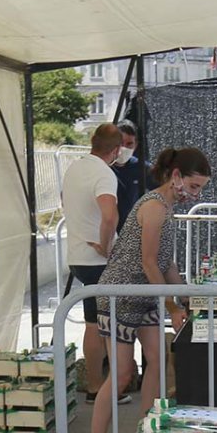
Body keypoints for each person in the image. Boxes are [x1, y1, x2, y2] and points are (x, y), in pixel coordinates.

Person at [84, 148, 208, 433]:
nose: (195, 195)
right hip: (120, 297)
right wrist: (172, 305)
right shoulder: (154, 207)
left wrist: (184, 300)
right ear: (176, 176)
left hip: (144, 294)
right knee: (122, 375)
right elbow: (149, 262)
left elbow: (166, 263)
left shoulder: (166, 207)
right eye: (193, 187)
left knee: (157, 360)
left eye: (200, 189)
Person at [60, 123, 127, 406]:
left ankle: (95, 385)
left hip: (77, 256)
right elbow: (110, 216)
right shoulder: (104, 173)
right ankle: (110, 387)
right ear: (115, 150)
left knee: (92, 323)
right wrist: (107, 245)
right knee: (109, 326)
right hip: (100, 260)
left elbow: (65, 203)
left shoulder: (74, 168)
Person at [110, 120, 151, 231]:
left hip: (131, 232)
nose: (123, 148)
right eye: (120, 143)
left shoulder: (141, 168)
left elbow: (164, 187)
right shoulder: (102, 166)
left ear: (136, 145)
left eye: (129, 144)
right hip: (106, 231)